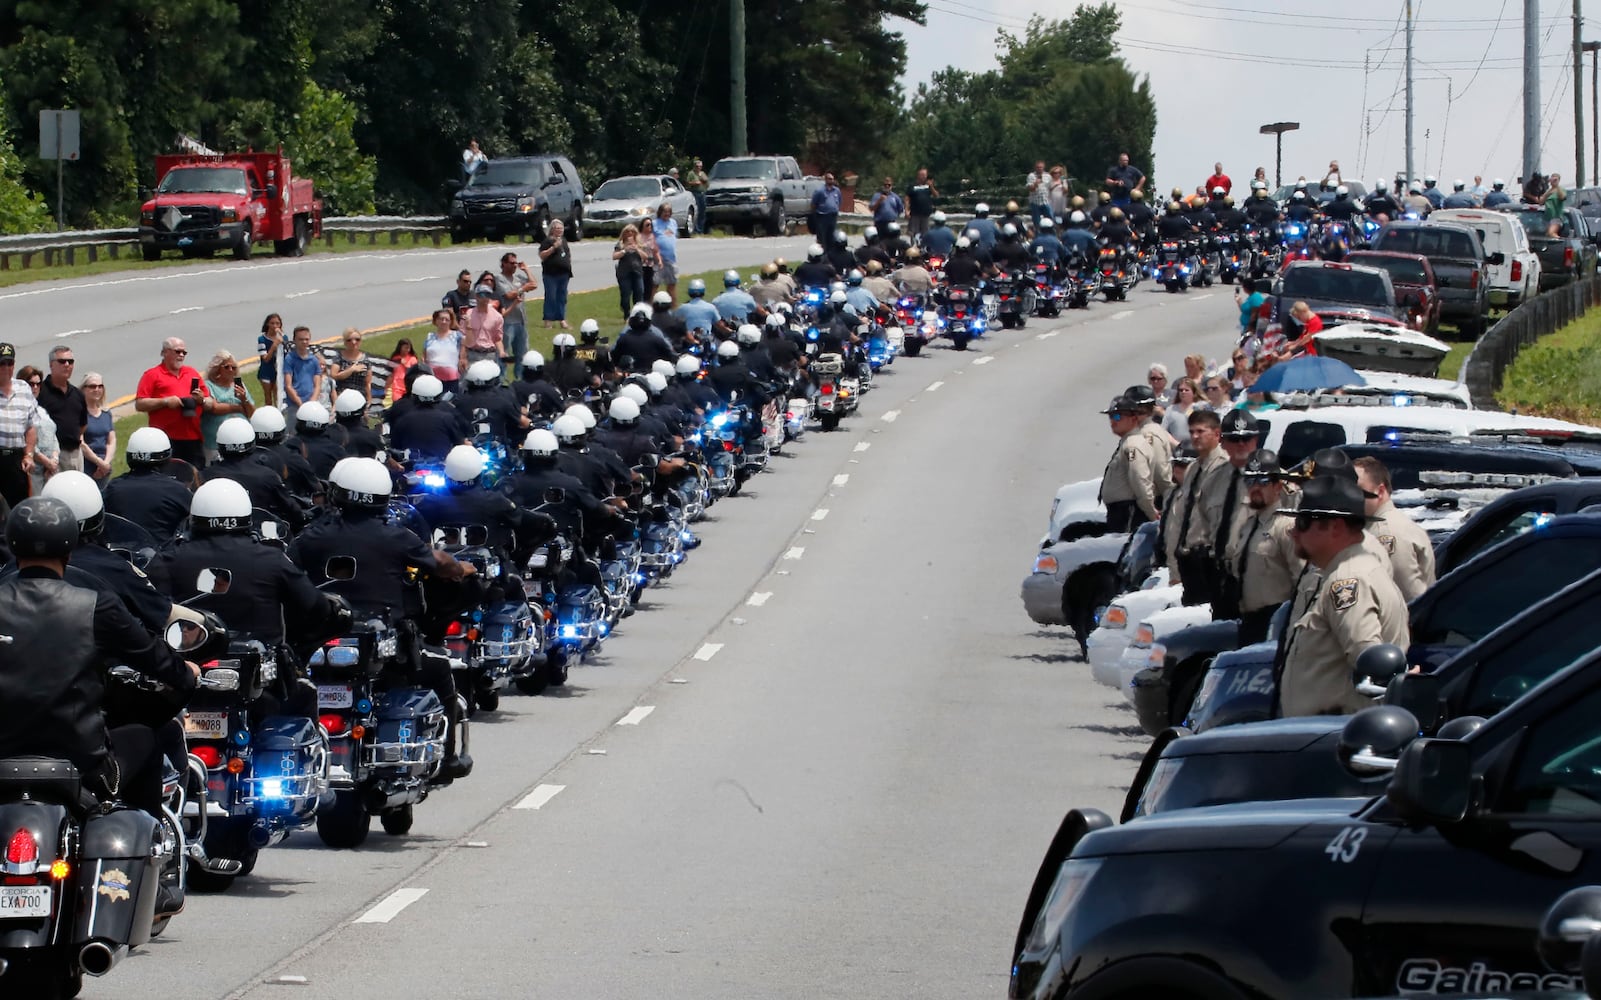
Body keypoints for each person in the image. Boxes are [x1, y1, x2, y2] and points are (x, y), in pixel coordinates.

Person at [289, 458, 476, 779]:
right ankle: (446, 759)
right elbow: (440, 562)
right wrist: (461, 569)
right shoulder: (395, 536)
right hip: (386, 646)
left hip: (319, 644)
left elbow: (289, 575)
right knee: (439, 669)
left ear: (338, 493)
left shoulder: (311, 536)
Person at [1276, 475, 1410, 718]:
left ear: (1336, 526)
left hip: (1331, 736)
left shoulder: (1348, 581)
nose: (1293, 532)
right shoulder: (1350, 571)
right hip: (1321, 733)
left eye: (1304, 522)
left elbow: (1371, 663)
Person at [1224, 450, 1304, 644]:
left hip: (1274, 621)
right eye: (1250, 481)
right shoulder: (1249, 525)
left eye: (1263, 481)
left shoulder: (1286, 527)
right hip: (1248, 620)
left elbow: (1302, 580)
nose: (1255, 488)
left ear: (1277, 486)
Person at [1166, 408, 1230, 606]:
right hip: (1188, 558)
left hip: (1208, 559)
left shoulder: (1224, 467)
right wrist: (1174, 568)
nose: (1195, 436)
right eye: (1192, 431)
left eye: (1200, 431)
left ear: (1217, 434)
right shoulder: (1193, 468)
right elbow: (1181, 517)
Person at [1353, 456, 1435, 601]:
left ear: (1380, 491)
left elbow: (1408, 597)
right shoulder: (1376, 526)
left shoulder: (1386, 533)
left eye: (1357, 490)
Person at [1206, 409, 1262, 620]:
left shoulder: (1270, 481)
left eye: (1247, 439)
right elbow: (1205, 521)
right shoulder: (1214, 480)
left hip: (1253, 576)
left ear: (1256, 440)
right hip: (1220, 574)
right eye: (1234, 439)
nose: (1241, 445)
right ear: (1223, 442)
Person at [102, 428, 193, 542]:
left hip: (120, 556)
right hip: (163, 557)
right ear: (166, 457)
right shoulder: (178, 491)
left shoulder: (112, 488)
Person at [134, 337, 213, 468]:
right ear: (165, 352)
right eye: (177, 352)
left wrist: (202, 400)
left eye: (184, 352)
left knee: (196, 477)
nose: (181, 355)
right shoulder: (152, 375)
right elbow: (140, 404)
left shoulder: (191, 373)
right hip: (165, 440)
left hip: (193, 438)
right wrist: (165, 402)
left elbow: (210, 402)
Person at [1098, 395, 1161, 531]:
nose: (1112, 422)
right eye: (1111, 417)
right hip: (1120, 512)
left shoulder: (1133, 445)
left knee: (1124, 548)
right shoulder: (1127, 442)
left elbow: (1140, 482)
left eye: (1117, 417)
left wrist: (1151, 512)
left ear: (1133, 418)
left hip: (1128, 512)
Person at [36, 345, 87, 475]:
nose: (67, 365)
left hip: (75, 454)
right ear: (51, 364)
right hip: (51, 457)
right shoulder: (41, 392)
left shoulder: (77, 394)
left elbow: (82, 425)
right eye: (62, 361)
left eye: (70, 362)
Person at [200, 350, 255, 463]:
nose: (230, 370)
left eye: (233, 367)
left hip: (241, 439)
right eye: (226, 367)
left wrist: (244, 399)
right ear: (218, 369)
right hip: (215, 443)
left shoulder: (240, 386)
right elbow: (214, 408)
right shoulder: (209, 386)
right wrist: (238, 408)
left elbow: (251, 413)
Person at [494, 252, 536, 373]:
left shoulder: (518, 278)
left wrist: (526, 270)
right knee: (503, 353)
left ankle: (521, 377)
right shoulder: (499, 279)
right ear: (504, 264)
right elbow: (508, 295)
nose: (515, 266)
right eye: (512, 263)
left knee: (522, 354)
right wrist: (523, 289)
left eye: (516, 263)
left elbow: (534, 284)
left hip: (521, 321)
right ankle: (502, 378)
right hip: (507, 322)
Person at [19, 367, 56, 497]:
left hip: (50, 470)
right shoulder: (20, 410)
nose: (35, 387)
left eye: (38, 384)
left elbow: (53, 436)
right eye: (31, 384)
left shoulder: (41, 410)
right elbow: (26, 441)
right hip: (33, 471)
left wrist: (54, 459)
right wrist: (47, 462)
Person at [466, 276, 507, 371]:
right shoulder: (469, 314)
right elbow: (463, 339)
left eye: (487, 295)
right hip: (472, 354)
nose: (485, 298)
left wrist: (501, 352)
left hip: (489, 354)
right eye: (482, 295)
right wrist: (463, 357)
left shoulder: (497, 317)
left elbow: (497, 338)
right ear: (476, 296)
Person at [80, 371, 114, 482]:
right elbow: (81, 443)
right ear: (83, 389)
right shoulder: (79, 413)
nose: (97, 389)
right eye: (92, 386)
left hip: (104, 467)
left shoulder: (106, 413)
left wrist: (106, 463)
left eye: (100, 386)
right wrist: (98, 462)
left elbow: (111, 441)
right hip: (87, 466)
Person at [424, 308, 468, 394]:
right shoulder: (430, 336)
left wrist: (463, 359)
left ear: (450, 322)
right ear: (436, 321)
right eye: (441, 319)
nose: (444, 322)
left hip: (452, 378)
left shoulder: (457, 336)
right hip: (433, 378)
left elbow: (467, 344)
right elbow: (424, 356)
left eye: (447, 320)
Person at [281, 326, 323, 410]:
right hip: (294, 404)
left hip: (311, 403)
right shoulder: (290, 359)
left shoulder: (314, 360)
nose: (304, 342)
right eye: (301, 339)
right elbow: (288, 385)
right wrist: (300, 403)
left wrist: (312, 402)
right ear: (294, 340)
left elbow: (317, 385)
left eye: (306, 339)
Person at [613, 224, 647, 317]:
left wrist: (637, 249)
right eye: (627, 232)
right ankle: (626, 313)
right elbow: (614, 256)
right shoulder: (620, 244)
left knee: (639, 292)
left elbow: (645, 257)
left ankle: (638, 314)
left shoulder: (639, 244)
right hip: (624, 273)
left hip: (637, 272)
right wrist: (625, 250)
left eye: (632, 232)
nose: (630, 234)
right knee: (625, 295)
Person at [651, 204, 679, 304]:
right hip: (658, 259)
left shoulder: (673, 223)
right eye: (664, 211)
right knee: (654, 285)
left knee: (672, 284)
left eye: (668, 212)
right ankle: (651, 308)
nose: (667, 214)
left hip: (671, 259)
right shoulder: (654, 223)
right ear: (660, 212)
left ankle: (673, 309)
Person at [1161, 378, 1202, 442]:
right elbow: (1163, 429)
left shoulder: (1200, 407)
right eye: (1181, 390)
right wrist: (1176, 444)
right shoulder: (1171, 409)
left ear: (1194, 393)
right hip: (1176, 447)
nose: (1183, 392)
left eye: (1186, 390)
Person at [257, 313, 283, 407]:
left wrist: (282, 340)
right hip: (266, 371)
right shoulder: (262, 339)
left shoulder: (283, 338)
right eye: (272, 323)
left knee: (278, 396)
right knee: (268, 398)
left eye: (277, 323)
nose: (275, 326)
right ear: (268, 324)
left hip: (278, 371)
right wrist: (274, 345)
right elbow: (266, 359)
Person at [810, 172, 842, 247]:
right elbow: (813, 204)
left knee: (831, 237)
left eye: (833, 179)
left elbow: (839, 201)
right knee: (822, 237)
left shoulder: (837, 191)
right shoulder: (820, 191)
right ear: (826, 180)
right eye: (830, 179)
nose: (832, 181)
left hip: (833, 217)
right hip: (822, 217)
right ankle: (822, 253)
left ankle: (830, 253)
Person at [907, 167, 939, 239]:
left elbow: (936, 195)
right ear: (918, 175)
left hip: (926, 214)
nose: (924, 177)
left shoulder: (929, 186)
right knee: (913, 233)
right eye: (922, 175)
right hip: (915, 213)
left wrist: (931, 186)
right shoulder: (912, 186)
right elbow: (907, 198)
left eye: (925, 175)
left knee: (925, 233)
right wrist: (906, 210)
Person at [687, 157, 709, 234]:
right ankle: (696, 229)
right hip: (695, 193)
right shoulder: (691, 173)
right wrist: (694, 183)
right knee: (697, 210)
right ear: (694, 166)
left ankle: (701, 229)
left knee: (703, 211)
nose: (698, 168)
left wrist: (703, 179)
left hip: (702, 193)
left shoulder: (702, 173)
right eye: (697, 166)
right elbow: (688, 183)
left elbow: (707, 182)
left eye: (700, 166)